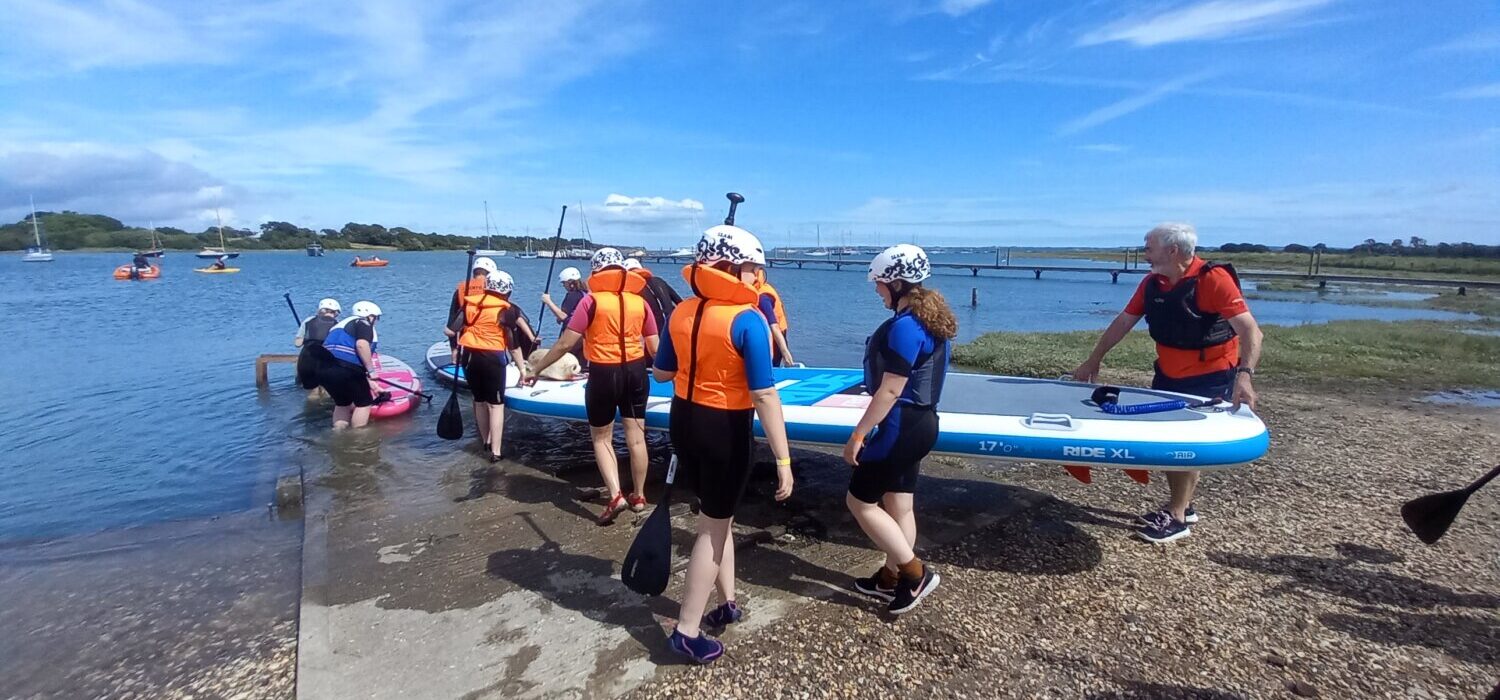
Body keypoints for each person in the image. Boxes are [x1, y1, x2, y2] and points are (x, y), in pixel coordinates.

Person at [652, 225, 793, 664]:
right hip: (725, 429)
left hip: (685, 420)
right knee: (713, 528)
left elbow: (661, 374)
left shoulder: (680, 312)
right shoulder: (748, 320)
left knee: (718, 515)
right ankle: (687, 631)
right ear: (734, 268)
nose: (758, 278)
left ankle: (727, 601)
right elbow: (765, 395)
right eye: (754, 269)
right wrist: (784, 460)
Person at [1071, 222, 1263, 544]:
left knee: (1183, 447)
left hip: (1211, 377)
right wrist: (1094, 359)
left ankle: (1176, 517)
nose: (1144, 253)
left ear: (1172, 250)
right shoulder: (1152, 284)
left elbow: (1251, 332)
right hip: (1168, 376)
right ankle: (1183, 506)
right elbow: (1123, 322)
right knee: (1170, 443)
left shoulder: (1213, 280)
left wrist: (1244, 376)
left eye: (1149, 247)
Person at [842, 244, 954, 614]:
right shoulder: (931, 321)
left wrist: (858, 435)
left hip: (900, 425)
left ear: (897, 284)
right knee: (899, 504)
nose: (876, 291)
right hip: (924, 423)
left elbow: (891, 389)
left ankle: (914, 573)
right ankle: (890, 580)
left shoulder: (906, 327)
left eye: (879, 284)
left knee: (859, 501)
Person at [528, 248, 659, 523]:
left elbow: (566, 343)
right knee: (636, 437)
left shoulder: (591, 301)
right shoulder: (640, 302)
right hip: (636, 372)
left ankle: (615, 496)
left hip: (603, 373)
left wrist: (536, 368)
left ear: (596, 272)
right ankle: (639, 496)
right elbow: (656, 349)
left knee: (602, 438)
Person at [455, 272, 529, 462]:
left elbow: (451, 328)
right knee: (496, 405)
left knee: (479, 400)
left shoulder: (470, 303)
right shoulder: (507, 309)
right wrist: (522, 369)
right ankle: (496, 451)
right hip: (492, 358)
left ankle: (485, 442)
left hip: (469, 356)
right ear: (507, 290)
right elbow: (512, 345)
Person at [317, 301, 385, 430]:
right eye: (376, 317)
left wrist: (371, 384)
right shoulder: (363, 323)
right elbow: (361, 345)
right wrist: (371, 371)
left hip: (323, 368)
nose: (376, 321)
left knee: (342, 403)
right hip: (346, 368)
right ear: (369, 315)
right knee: (363, 403)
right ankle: (358, 439)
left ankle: (338, 433)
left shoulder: (337, 327)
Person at [445, 257, 499, 359]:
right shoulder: (496, 289)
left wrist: (454, 350)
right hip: (492, 341)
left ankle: (457, 356)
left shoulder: (461, 289)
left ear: (474, 273)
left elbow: (452, 321)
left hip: (468, 339)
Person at [541, 266, 589, 370]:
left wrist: (548, 301)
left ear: (570, 282)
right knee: (580, 363)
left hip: (572, 334)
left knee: (565, 360)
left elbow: (563, 316)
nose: (563, 286)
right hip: (584, 334)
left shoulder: (572, 295)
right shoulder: (585, 294)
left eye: (564, 283)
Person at [294, 298, 341, 392]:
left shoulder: (308, 321)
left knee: (312, 392)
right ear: (336, 312)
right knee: (328, 391)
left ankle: (311, 404)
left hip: (307, 358)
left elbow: (297, 343)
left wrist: (306, 338)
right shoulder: (337, 324)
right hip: (326, 359)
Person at [624, 258, 683, 331]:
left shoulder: (631, 288)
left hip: (653, 331)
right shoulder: (659, 281)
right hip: (672, 326)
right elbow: (680, 302)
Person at [754, 268, 795, 367]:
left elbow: (774, 326)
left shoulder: (762, 297)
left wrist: (785, 353)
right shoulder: (764, 287)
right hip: (779, 334)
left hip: (775, 340)